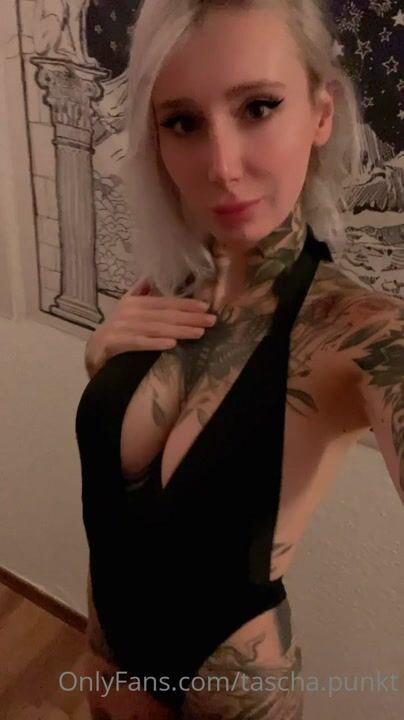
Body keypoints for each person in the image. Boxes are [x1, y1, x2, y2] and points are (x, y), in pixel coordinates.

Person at [75, 1, 404, 718]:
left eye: (258, 107)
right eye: (183, 122)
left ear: (321, 113)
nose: (222, 168)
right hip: (103, 661)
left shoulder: (363, 333)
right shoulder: (165, 288)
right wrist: (100, 358)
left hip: (227, 687)